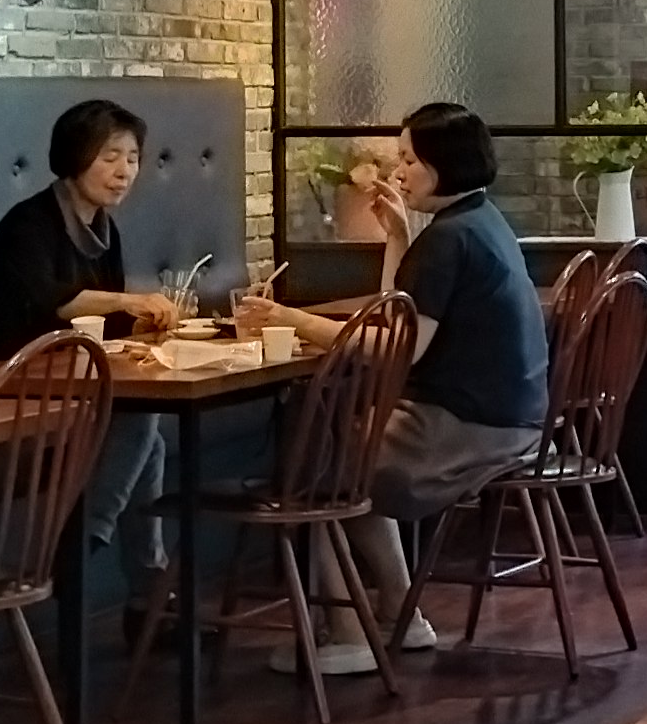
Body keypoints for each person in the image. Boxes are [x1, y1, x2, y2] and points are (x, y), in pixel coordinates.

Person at [235, 99, 548, 673]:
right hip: (509, 418)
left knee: (315, 477)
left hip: (467, 427)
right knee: (341, 459)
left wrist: (290, 319)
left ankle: (349, 634)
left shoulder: (450, 239)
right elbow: (399, 316)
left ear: (442, 164)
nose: (397, 171)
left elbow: (397, 348)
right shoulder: (479, 220)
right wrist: (399, 239)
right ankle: (403, 616)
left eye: (408, 160)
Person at [0, 100, 187, 556]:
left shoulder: (105, 229)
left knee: (148, 439)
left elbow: (109, 322)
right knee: (139, 418)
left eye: (132, 159)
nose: (124, 171)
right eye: (110, 157)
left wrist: (148, 320)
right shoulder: (27, 224)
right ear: (75, 156)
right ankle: (84, 542)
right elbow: (50, 300)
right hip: (13, 386)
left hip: (74, 385)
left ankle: (141, 577)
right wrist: (129, 301)